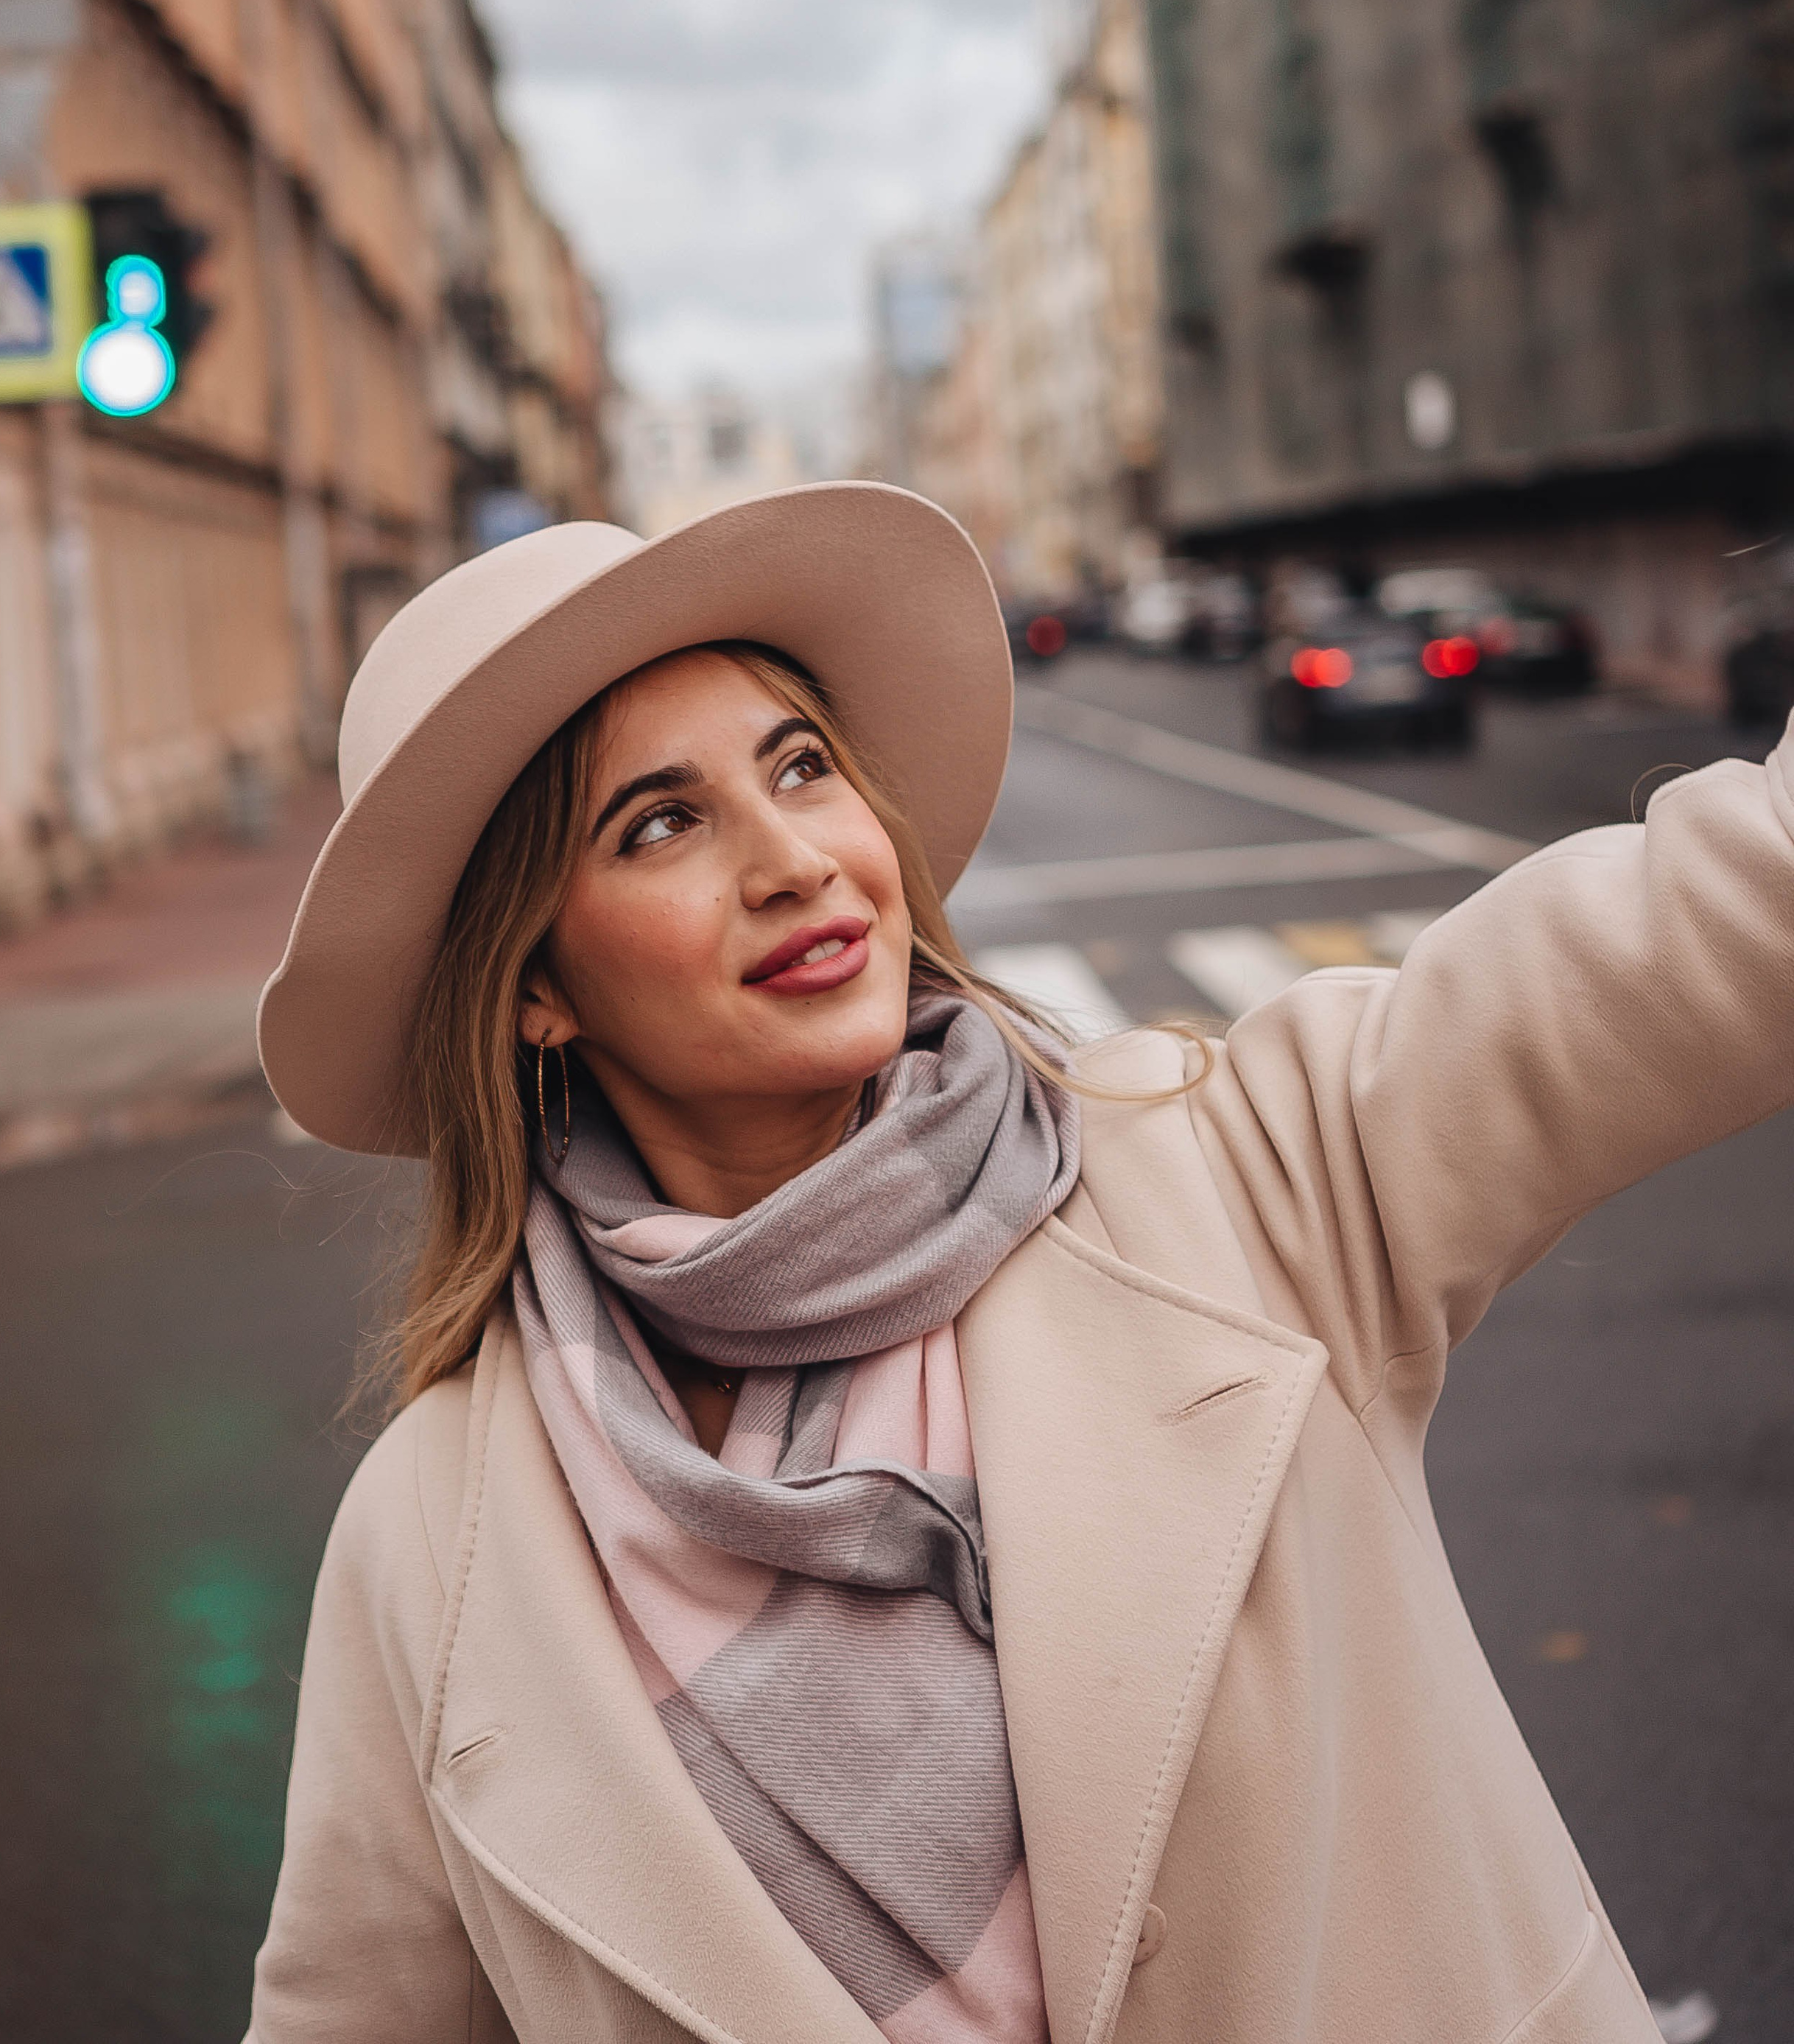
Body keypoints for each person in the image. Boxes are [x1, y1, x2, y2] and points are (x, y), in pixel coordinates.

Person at [245, 482, 1791, 2044]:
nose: (793, 859)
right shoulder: (432, 1541)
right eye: (660, 824)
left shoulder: (1244, 1169)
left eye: (801, 767)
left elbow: (1732, 909)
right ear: (534, 989)